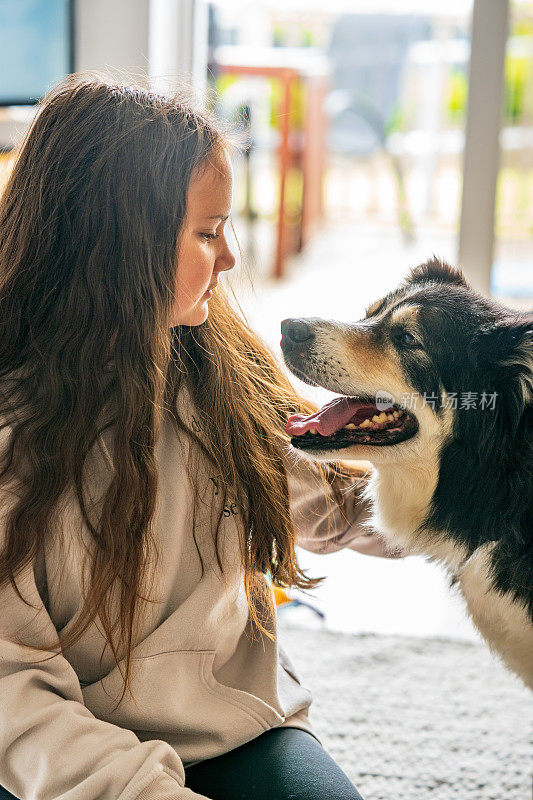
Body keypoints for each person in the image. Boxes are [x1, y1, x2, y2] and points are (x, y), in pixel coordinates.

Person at [0, 73, 400, 800]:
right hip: (52, 757)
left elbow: (331, 501)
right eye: (208, 234)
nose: (229, 260)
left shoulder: (218, 372)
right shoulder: (11, 433)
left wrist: (468, 505)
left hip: (230, 729)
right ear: (117, 244)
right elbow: (11, 697)